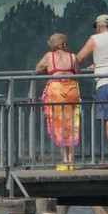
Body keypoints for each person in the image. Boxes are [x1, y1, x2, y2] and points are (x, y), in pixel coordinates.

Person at [76, 14, 108, 169]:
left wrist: (93, 66)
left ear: (98, 26)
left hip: (106, 83)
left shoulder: (95, 39)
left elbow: (78, 59)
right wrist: (97, 63)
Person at [35, 33, 81, 170]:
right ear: (64, 44)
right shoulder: (73, 56)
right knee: (72, 123)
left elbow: (38, 68)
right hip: (71, 91)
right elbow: (78, 72)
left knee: (58, 124)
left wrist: (50, 71)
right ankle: (71, 161)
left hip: (56, 91)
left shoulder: (49, 56)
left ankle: (64, 160)